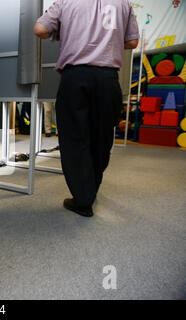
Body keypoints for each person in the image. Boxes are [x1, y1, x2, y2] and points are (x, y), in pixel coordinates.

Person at [34, 0, 139, 217]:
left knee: (74, 139)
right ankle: (90, 189)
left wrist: (69, 34)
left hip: (75, 77)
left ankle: (83, 200)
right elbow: (133, 41)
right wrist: (106, 39)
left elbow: (40, 29)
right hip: (107, 78)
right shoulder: (123, 3)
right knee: (101, 139)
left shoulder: (65, 1)